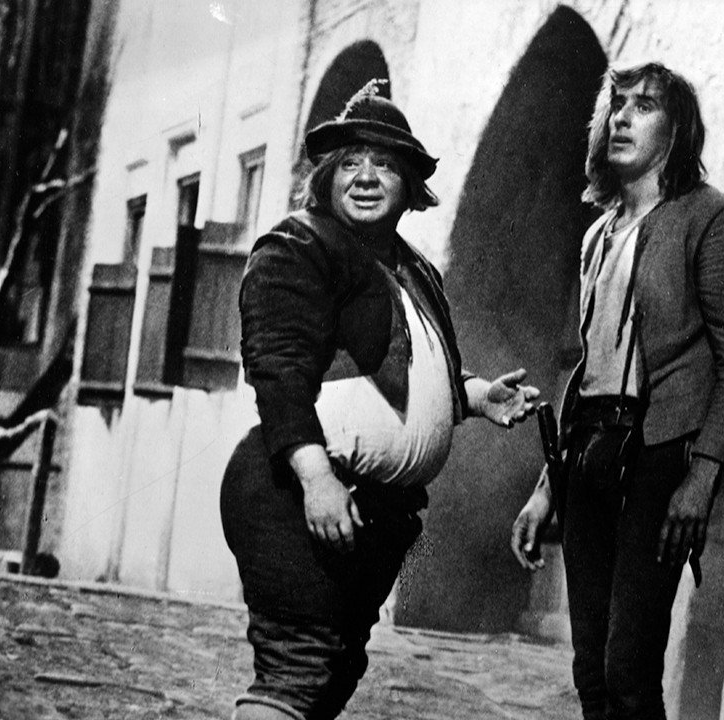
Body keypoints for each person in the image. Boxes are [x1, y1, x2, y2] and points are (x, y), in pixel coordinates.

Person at [219, 81, 539, 720]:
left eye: (385, 164)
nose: (366, 177)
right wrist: (316, 478)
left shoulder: (415, 269)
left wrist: (476, 395)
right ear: (328, 177)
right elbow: (279, 374)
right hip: (300, 495)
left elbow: (405, 371)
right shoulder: (299, 246)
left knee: (332, 673)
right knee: (296, 669)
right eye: (351, 163)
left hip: (378, 513)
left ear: (410, 184)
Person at [510, 62, 724, 720]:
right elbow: (589, 367)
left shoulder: (712, 219)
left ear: (676, 129)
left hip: (659, 458)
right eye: (617, 104)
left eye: (644, 106)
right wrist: (547, 488)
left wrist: (701, 476)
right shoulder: (598, 235)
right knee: (591, 671)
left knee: (628, 668)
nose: (622, 118)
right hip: (587, 455)